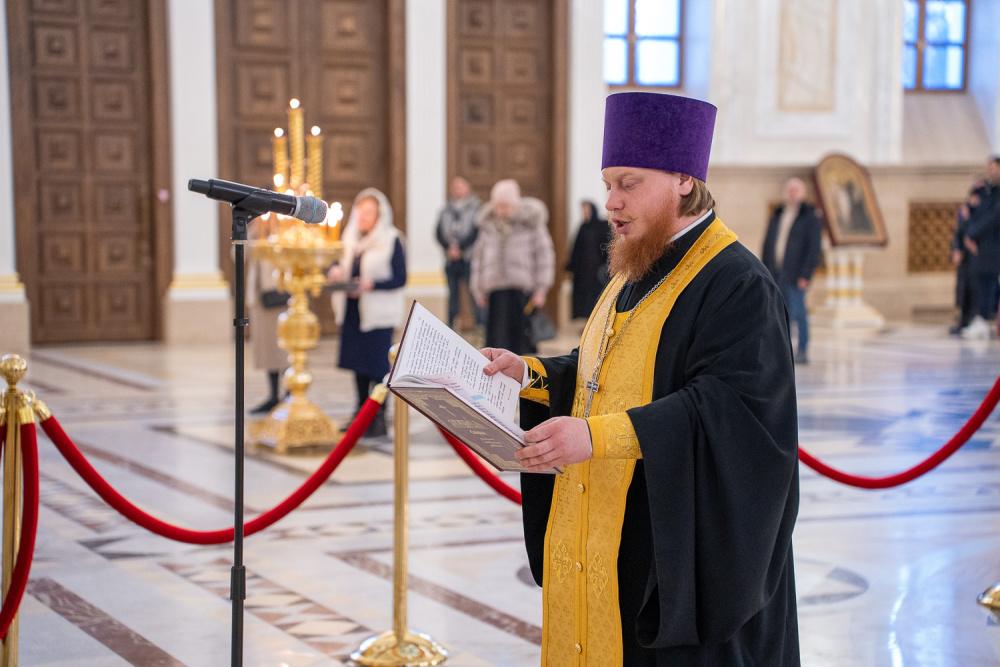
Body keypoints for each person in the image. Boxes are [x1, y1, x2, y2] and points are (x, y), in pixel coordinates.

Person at [482, 92, 800, 665]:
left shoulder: (737, 282)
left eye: (628, 183)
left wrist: (596, 437)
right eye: (608, 184)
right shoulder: (636, 265)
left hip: (676, 561)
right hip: (608, 535)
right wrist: (527, 374)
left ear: (683, 180)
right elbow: (600, 369)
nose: (611, 201)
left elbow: (731, 411)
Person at [329, 188, 407, 437]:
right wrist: (334, 271)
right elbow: (339, 263)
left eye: (369, 212)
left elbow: (400, 278)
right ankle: (360, 413)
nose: (363, 217)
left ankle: (379, 417)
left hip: (378, 314)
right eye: (360, 211)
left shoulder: (391, 239)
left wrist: (371, 284)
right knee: (357, 364)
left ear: (379, 215)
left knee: (376, 367)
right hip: (353, 311)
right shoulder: (349, 239)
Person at [470, 179, 555, 354]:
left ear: (515, 205)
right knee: (495, 342)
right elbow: (478, 259)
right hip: (495, 291)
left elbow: (544, 257)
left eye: (505, 206)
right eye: (498, 205)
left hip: (521, 292)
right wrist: (477, 289)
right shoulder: (488, 224)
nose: (501, 210)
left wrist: (541, 290)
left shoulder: (531, 223)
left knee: (520, 344)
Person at [761, 177, 823, 363]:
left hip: (796, 274)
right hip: (775, 272)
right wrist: (764, 270)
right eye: (790, 190)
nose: (792, 193)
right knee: (778, 313)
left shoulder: (810, 217)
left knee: (798, 312)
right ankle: (782, 351)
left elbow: (814, 248)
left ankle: (802, 350)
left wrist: (806, 274)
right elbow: (767, 243)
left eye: (796, 190)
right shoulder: (777, 214)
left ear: (803, 194)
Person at [247, 215, 287, 414]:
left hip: (281, 295)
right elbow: (237, 254)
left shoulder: (285, 229)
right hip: (260, 298)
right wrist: (252, 231)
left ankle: (290, 393)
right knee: (267, 350)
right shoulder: (255, 231)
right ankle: (273, 395)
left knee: (285, 350)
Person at [961, 157, 1000, 340]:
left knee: (990, 284)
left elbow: (994, 217)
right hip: (981, 245)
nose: (990, 171)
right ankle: (980, 319)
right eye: (988, 168)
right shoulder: (987, 191)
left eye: (993, 168)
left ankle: (986, 319)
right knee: (979, 283)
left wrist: (972, 234)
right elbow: (977, 213)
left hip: (993, 244)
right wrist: (969, 235)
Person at [435, 176, 482, 329]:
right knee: (452, 296)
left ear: (468, 188)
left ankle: (479, 328)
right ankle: (450, 328)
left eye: (461, 187)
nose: (457, 190)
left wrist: (460, 248)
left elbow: (477, 231)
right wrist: (449, 248)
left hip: (469, 258)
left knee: (474, 294)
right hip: (451, 259)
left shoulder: (477, 208)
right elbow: (438, 232)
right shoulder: (445, 209)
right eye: (455, 187)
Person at [567, 200, 611, 319]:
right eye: (583, 210)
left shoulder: (602, 226)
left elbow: (607, 246)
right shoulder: (583, 227)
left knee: (595, 296)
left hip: (597, 270)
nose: (585, 213)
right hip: (583, 271)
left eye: (586, 210)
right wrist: (572, 266)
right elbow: (576, 248)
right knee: (583, 299)